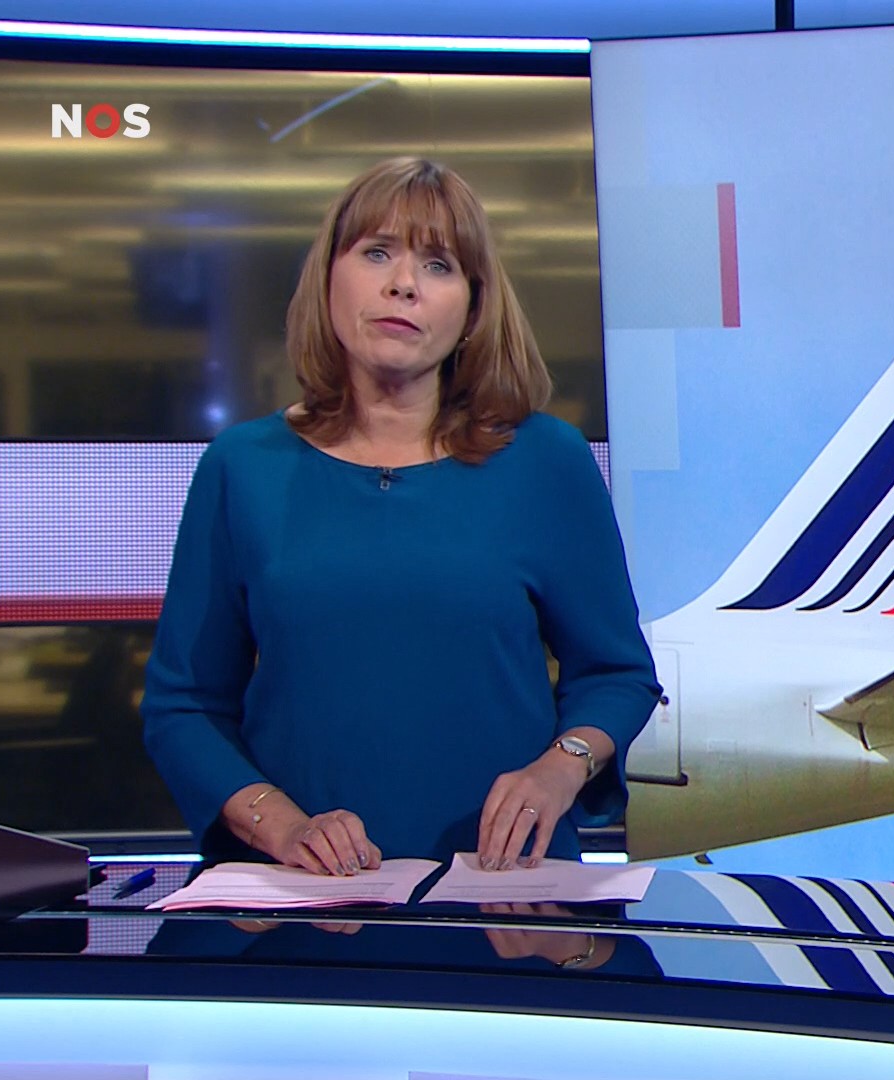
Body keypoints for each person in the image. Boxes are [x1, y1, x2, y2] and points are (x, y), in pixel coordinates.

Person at [142, 157, 660, 876]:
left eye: (438, 265)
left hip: (506, 891)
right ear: (329, 278)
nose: (403, 284)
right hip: (307, 894)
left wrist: (561, 767)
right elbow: (184, 704)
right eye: (377, 252)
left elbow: (617, 673)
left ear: (473, 307)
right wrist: (283, 827)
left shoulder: (546, 461)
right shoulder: (243, 467)